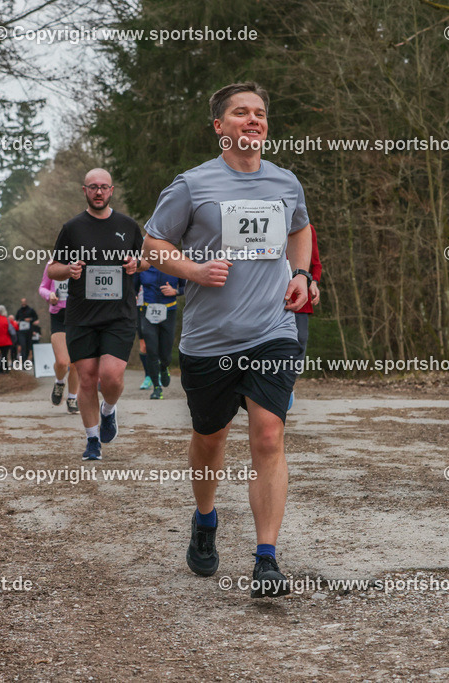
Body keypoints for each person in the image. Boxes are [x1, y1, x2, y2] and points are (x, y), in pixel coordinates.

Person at [143, 82, 313, 598]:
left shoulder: (286, 183)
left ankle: (266, 559)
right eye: (241, 113)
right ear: (220, 127)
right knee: (210, 440)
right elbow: (153, 245)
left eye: (260, 113)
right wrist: (193, 269)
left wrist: (302, 275)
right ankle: (205, 517)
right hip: (209, 339)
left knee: (267, 436)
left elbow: (300, 230)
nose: (253, 120)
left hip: (273, 332)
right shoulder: (193, 185)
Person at [46, 167, 148, 461]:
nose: (99, 192)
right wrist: (69, 269)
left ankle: (109, 410)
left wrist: (135, 264)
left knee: (111, 377)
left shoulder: (127, 225)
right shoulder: (72, 228)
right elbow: (53, 268)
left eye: (104, 187)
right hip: (82, 315)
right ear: (85, 191)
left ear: (112, 190)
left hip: (119, 314)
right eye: (93, 187)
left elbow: (147, 261)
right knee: (88, 380)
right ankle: (92, 441)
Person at [137, 266, 185, 399]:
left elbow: (186, 287)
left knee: (166, 355)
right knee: (151, 350)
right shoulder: (144, 265)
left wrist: (175, 291)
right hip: (147, 312)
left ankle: (164, 367)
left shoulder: (174, 263)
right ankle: (156, 388)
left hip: (168, 312)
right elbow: (132, 288)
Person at [39, 261, 80, 413]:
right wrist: (48, 295)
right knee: (63, 362)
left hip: (79, 316)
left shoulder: (84, 260)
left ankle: (72, 397)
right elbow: (42, 287)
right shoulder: (53, 263)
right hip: (59, 316)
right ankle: (59, 382)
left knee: (76, 362)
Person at [289, 224, 322, 408]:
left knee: (300, 340)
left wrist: (314, 282)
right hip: (271, 297)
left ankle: (288, 384)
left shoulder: (307, 228)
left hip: (299, 298)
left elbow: (315, 262)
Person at [15, 297, 38, 362]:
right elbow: (16, 319)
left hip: (29, 331)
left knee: (28, 346)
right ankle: (24, 361)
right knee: (23, 346)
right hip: (21, 331)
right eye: (22, 302)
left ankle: (26, 359)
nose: (23, 303)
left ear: (26, 302)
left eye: (24, 302)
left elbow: (36, 317)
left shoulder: (31, 310)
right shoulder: (19, 311)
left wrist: (30, 319)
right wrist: (18, 322)